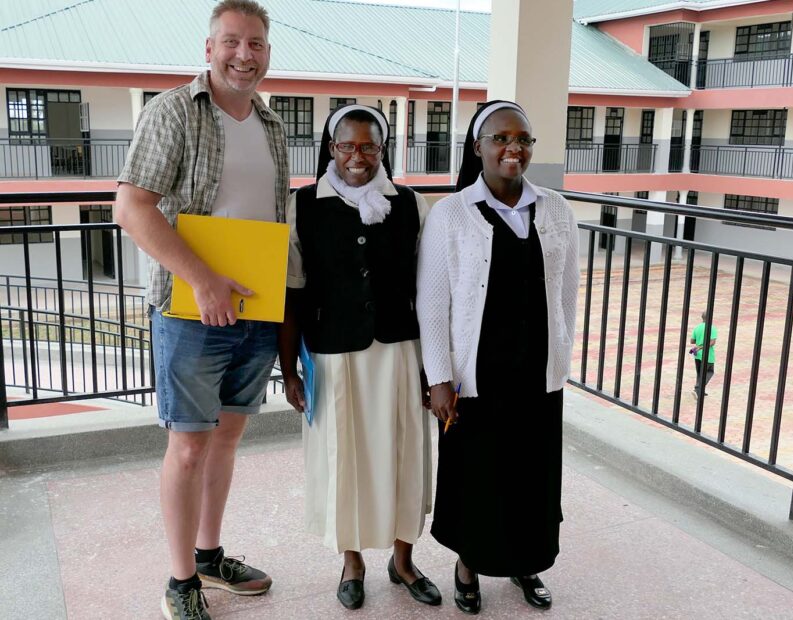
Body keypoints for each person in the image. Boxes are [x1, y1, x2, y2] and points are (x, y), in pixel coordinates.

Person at [114, 2, 287, 618]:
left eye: (257, 44)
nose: (245, 54)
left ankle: (210, 557)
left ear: (268, 51)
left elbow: (272, 222)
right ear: (208, 47)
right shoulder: (172, 113)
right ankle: (181, 580)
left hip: (255, 311)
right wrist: (204, 281)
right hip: (190, 312)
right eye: (233, 42)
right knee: (188, 447)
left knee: (228, 439)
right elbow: (132, 208)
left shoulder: (271, 125)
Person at [417, 100, 579, 614]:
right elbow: (432, 301)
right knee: (477, 473)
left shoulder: (555, 208)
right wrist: (440, 376)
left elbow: (568, 290)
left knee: (532, 473)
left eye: (524, 140)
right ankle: (468, 564)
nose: (514, 148)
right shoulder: (452, 213)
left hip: (537, 371)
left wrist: (561, 356)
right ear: (478, 147)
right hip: (477, 373)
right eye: (501, 138)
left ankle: (523, 561)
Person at [278, 105, 440, 611]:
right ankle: (351, 563)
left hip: (399, 349)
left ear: (383, 150)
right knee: (343, 457)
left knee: (405, 453)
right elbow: (291, 293)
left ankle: (404, 560)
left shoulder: (413, 205)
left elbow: (432, 293)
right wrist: (288, 369)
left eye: (369, 146)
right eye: (346, 145)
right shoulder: (302, 206)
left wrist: (435, 370)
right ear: (331, 148)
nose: (357, 156)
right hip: (333, 353)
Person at [691, 311, 718, 399]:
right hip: (707, 355)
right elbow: (712, 342)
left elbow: (692, 341)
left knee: (700, 373)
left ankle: (700, 391)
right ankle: (698, 389)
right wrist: (702, 347)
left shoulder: (697, 327)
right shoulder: (712, 328)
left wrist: (699, 344)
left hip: (697, 355)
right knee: (709, 372)